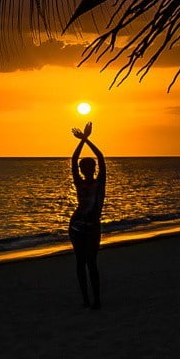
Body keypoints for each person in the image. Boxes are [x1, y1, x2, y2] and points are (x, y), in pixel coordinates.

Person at [68, 122, 107, 309]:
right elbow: (73, 161)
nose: (88, 170)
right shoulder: (79, 182)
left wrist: (86, 139)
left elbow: (101, 158)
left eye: (90, 168)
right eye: (85, 168)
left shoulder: (99, 183)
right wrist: (81, 142)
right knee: (80, 263)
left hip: (92, 227)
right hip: (76, 227)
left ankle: (97, 299)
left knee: (91, 263)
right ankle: (85, 299)